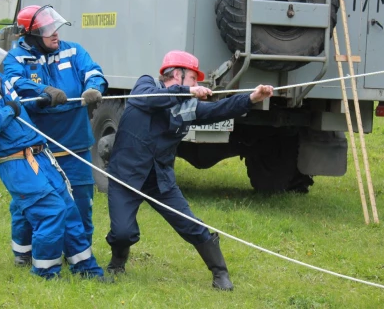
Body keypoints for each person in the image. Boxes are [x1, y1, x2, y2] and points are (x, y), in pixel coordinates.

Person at [105, 50, 274, 291]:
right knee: (122, 232)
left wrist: (251, 99)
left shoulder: (188, 107)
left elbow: (219, 110)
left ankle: (220, 273)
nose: (198, 84)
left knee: (190, 224)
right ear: (177, 74)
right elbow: (149, 99)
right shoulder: (145, 85)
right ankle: (116, 265)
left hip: (160, 180)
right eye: (194, 78)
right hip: (125, 176)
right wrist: (186, 92)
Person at [0, 37, 109, 281]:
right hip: (15, 162)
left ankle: (87, 269)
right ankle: (46, 273)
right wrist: (7, 111)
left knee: (68, 207)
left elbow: (21, 100)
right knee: (51, 212)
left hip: (39, 152)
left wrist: (43, 95)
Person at [2, 5, 107, 259]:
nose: (55, 34)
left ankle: (80, 260)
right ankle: (24, 255)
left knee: (82, 205)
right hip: (37, 150)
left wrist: (93, 87)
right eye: (46, 30)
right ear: (31, 35)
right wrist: (45, 92)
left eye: (55, 28)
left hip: (76, 145)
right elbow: (14, 84)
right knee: (30, 205)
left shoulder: (74, 51)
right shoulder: (15, 58)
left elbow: (93, 71)